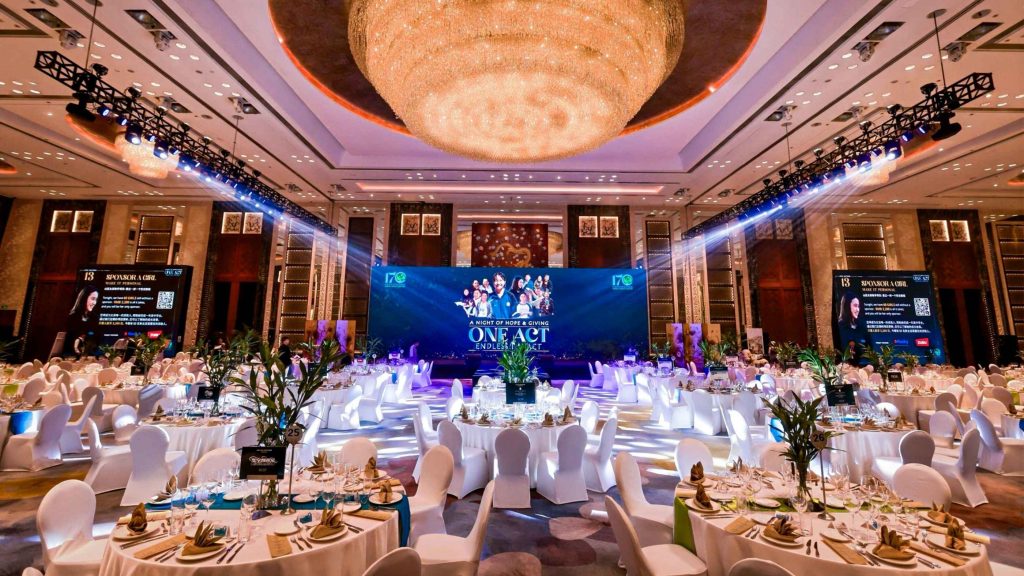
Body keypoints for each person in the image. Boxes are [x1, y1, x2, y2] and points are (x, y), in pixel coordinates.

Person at [836, 290, 871, 361]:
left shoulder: (862, 327)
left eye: (858, 306)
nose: (858, 309)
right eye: (855, 306)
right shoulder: (839, 327)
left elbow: (870, 351)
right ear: (847, 306)